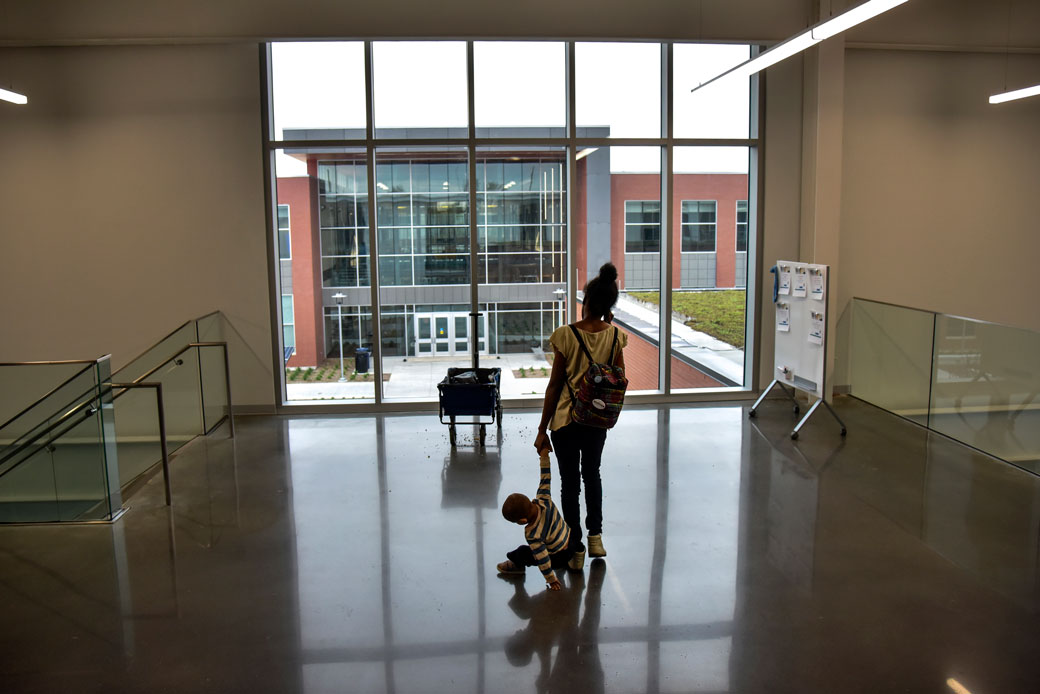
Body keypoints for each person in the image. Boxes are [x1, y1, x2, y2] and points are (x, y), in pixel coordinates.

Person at [534, 262, 627, 560]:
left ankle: (575, 549)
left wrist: (540, 429)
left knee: (569, 483)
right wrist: (608, 324)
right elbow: (619, 380)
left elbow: (554, 386)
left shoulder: (566, 334)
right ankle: (596, 536)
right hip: (596, 420)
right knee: (592, 475)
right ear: (609, 305)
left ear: (585, 300)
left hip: (564, 421)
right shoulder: (615, 337)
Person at [497, 451, 585, 589]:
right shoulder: (544, 499)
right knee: (568, 527)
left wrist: (551, 579)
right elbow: (545, 476)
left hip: (558, 559)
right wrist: (544, 455)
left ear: (522, 521)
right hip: (571, 541)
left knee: (522, 552)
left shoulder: (532, 534)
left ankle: (517, 565)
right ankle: (577, 556)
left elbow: (542, 558)